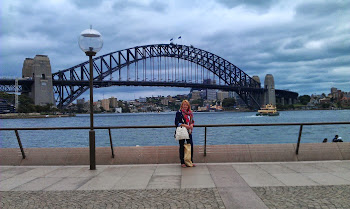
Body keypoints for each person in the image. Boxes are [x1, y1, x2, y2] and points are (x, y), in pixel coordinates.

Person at [175, 100, 196, 168]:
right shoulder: (179, 113)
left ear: (188, 106)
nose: (185, 106)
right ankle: (182, 162)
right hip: (182, 131)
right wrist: (185, 125)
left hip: (189, 131)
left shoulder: (190, 113)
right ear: (182, 106)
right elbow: (176, 123)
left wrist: (192, 124)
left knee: (190, 146)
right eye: (184, 105)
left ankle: (190, 161)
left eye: (186, 105)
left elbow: (192, 121)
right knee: (182, 146)